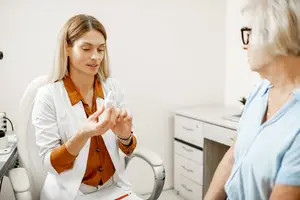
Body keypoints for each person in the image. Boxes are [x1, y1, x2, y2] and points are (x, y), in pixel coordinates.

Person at [32, 14, 140, 200]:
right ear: (67, 48)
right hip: (71, 194)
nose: (95, 57)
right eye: (86, 48)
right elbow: (50, 164)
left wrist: (125, 136)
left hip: (113, 189)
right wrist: (83, 135)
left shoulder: (112, 88)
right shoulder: (47, 96)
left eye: (101, 49)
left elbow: (129, 149)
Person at [204, 0, 300, 200]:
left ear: (276, 36)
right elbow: (233, 156)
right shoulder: (260, 92)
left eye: (249, 33)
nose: (243, 45)